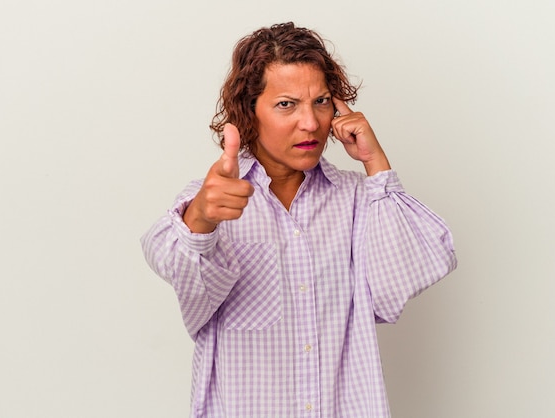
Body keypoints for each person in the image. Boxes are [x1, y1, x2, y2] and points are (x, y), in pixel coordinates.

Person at [141, 22, 457, 418]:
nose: (310, 123)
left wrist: (376, 165)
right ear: (248, 112)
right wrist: (201, 217)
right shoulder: (216, 199)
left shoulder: (359, 199)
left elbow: (397, 283)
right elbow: (173, 267)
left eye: (321, 101)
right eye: (286, 104)